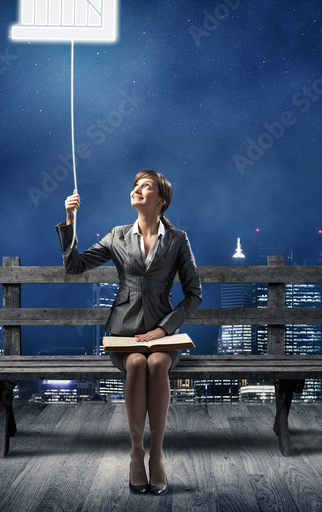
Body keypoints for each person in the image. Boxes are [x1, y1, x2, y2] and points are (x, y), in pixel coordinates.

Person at [57, 170, 202, 495]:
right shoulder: (117, 235)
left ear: (161, 200)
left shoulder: (178, 240)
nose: (136, 189)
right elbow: (74, 266)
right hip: (124, 333)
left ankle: (157, 456)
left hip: (164, 335)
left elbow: (194, 294)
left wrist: (165, 329)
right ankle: (137, 453)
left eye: (145, 186)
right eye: (135, 185)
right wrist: (69, 219)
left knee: (155, 364)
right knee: (136, 364)